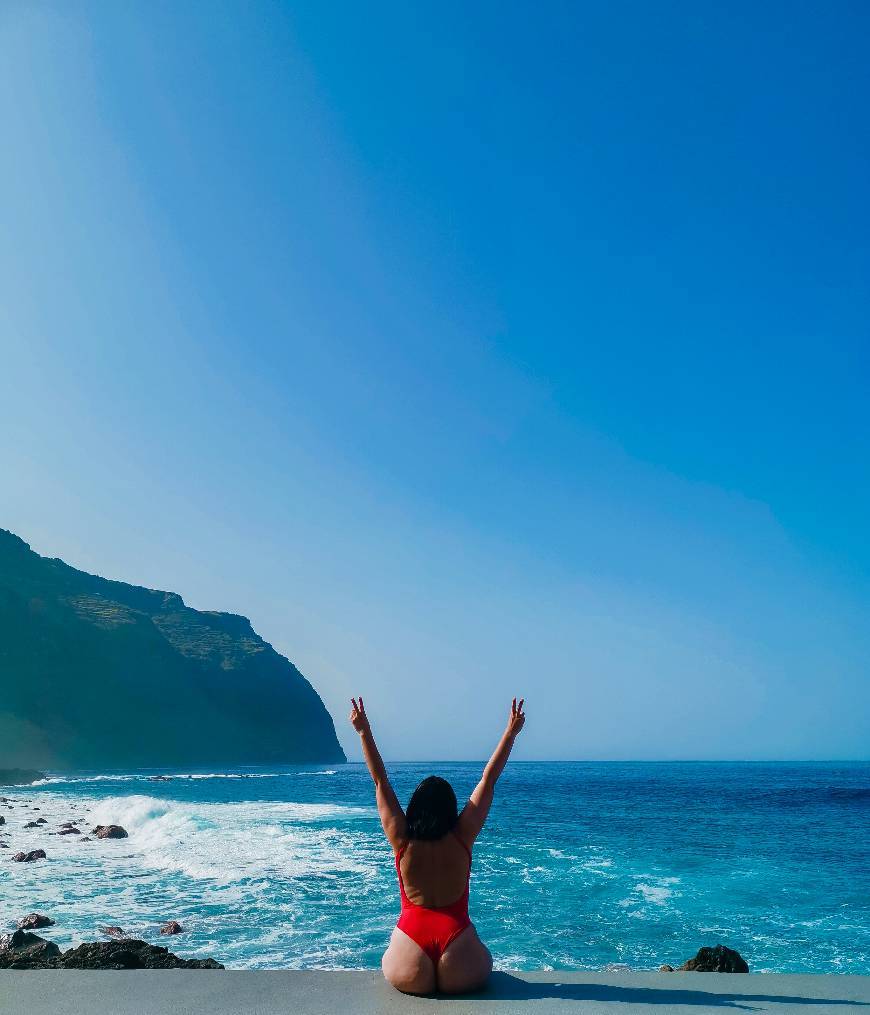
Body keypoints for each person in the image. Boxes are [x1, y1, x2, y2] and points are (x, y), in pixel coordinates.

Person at [349, 694, 526, 995]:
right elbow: (489, 779)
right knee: (485, 961)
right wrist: (510, 733)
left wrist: (363, 731)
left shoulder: (401, 838)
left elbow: (380, 781)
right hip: (461, 957)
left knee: (392, 959)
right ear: (450, 808)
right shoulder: (462, 835)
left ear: (414, 806)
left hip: (409, 956)